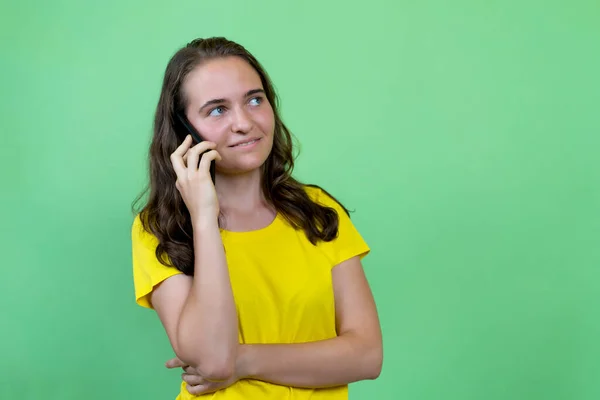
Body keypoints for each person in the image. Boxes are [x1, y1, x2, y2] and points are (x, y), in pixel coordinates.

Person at [130, 36, 383, 400]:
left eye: (254, 99)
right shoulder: (159, 228)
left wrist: (244, 360)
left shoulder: (318, 211)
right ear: (184, 131)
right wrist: (204, 217)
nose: (244, 123)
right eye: (217, 110)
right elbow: (213, 362)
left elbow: (367, 356)